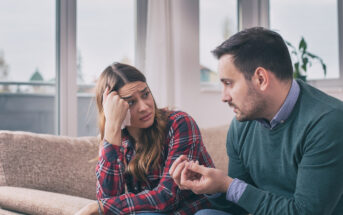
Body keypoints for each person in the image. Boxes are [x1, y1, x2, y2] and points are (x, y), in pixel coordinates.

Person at [169, 27, 343, 215]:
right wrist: (214, 188)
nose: (224, 97)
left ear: (261, 79)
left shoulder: (328, 121)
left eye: (229, 83)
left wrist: (229, 186)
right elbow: (237, 205)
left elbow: (305, 212)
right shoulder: (241, 125)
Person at [75, 63, 215, 215]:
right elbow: (110, 203)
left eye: (145, 94)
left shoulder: (179, 123)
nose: (144, 107)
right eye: (130, 102)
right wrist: (112, 128)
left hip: (196, 210)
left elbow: (167, 197)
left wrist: (99, 207)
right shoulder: (115, 140)